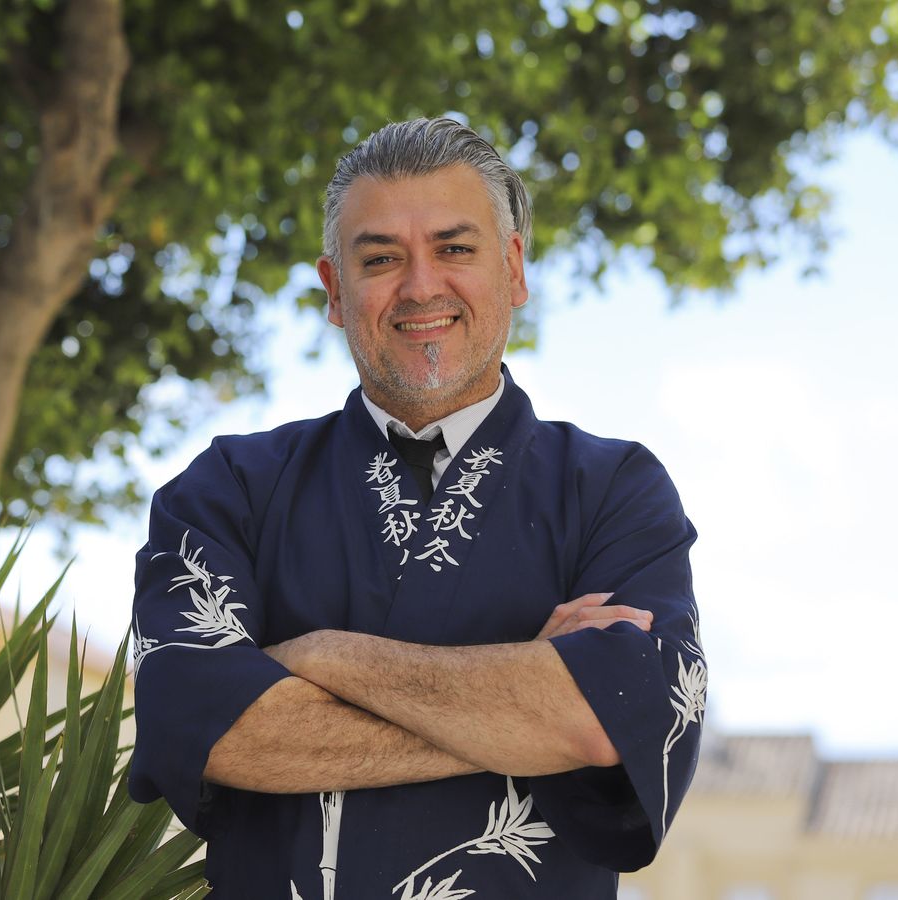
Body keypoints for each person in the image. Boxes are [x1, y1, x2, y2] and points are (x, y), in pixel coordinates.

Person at [128, 117, 706, 899]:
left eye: (454, 249)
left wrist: (324, 657)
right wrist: (523, 707)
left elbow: (615, 715)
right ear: (335, 291)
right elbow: (215, 732)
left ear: (513, 268)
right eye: (381, 259)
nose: (421, 286)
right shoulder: (230, 488)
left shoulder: (613, 489)